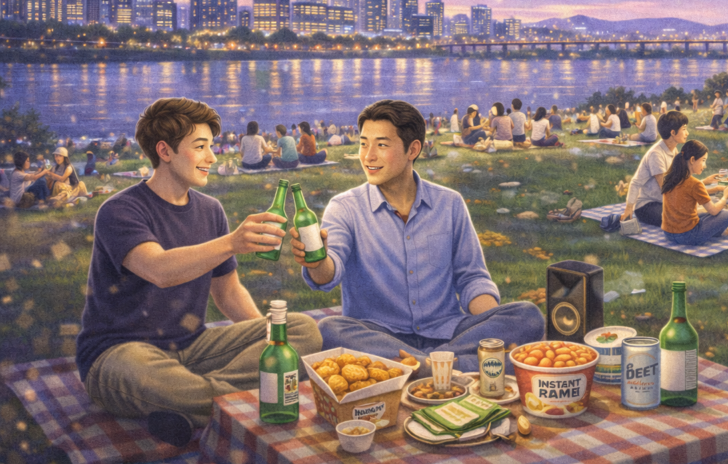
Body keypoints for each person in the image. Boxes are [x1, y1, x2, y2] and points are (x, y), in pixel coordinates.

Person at [75, 98, 322, 446]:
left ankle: (195, 404)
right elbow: (159, 269)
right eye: (201, 147)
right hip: (120, 351)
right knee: (149, 378)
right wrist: (231, 243)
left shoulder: (210, 210)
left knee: (302, 330)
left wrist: (268, 342)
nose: (213, 157)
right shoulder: (120, 210)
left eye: (211, 146)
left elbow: (227, 292)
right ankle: (224, 397)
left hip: (194, 345)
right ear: (165, 151)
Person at [294, 99, 544, 373]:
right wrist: (317, 262)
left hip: (449, 331)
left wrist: (489, 326)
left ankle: (419, 367)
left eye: (381, 145)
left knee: (527, 315)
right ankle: (462, 366)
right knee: (331, 329)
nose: (368, 156)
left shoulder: (449, 203)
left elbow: (472, 278)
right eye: (363, 143)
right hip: (380, 336)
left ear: (413, 149)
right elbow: (330, 271)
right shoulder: (345, 207)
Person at [661, 141, 728, 246]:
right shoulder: (694, 184)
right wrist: (726, 195)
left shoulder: (671, 178)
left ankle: (712, 231)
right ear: (692, 160)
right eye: (703, 160)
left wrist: (705, 182)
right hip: (689, 236)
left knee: (702, 213)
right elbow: (714, 211)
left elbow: (686, 191)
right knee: (727, 214)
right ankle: (714, 233)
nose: (704, 166)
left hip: (668, 233)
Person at [621, 111, 688, 226]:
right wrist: (629, 207)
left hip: (663, 202)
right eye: (684, 129)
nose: (687, 133)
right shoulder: (656, 154)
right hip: (647, 206)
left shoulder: (673, 150)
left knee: (691, 212)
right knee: (680, 218)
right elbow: (666, 188)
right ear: (673, 132)